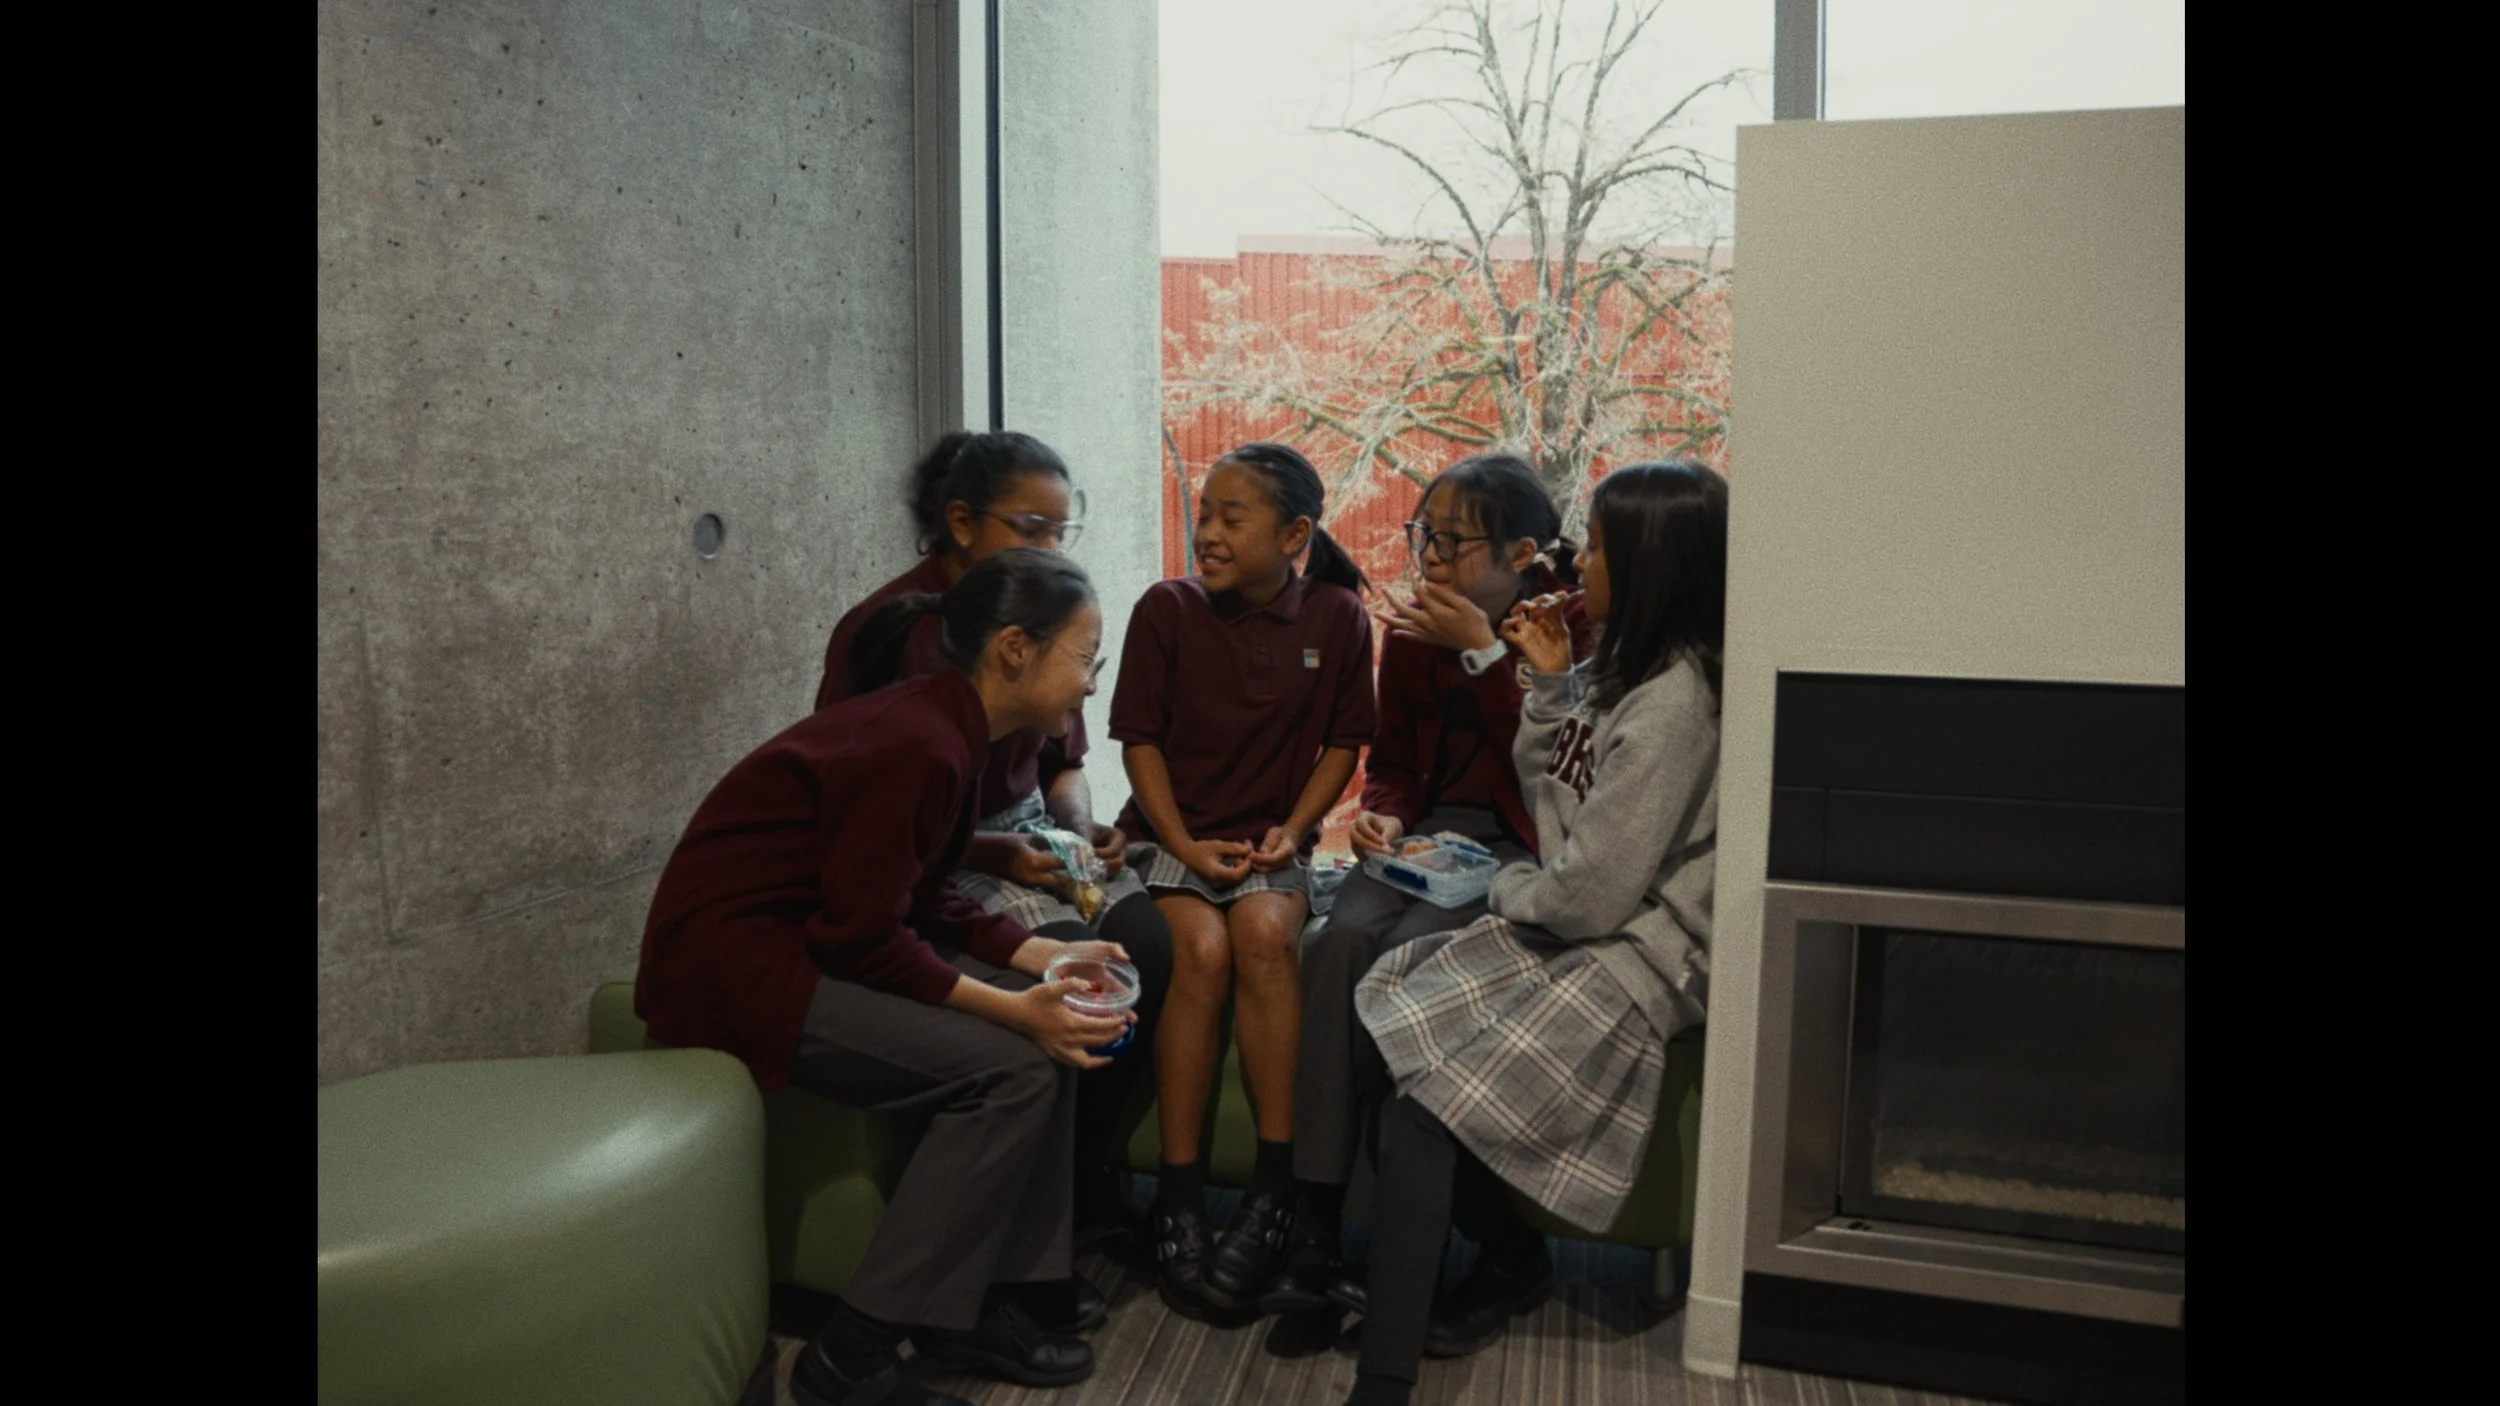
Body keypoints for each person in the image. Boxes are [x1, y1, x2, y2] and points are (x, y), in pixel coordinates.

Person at [638, 549, 1130, 1406]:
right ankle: (852, 1356)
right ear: (1015, 649)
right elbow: (866, 937)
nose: (1092, 684)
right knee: (1015, 1068)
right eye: (1087, 659)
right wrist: (1016, 1012)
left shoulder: (954, 728)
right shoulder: (921, 741)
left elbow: (922, 891)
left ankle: (982, 1301)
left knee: (1053, 1039)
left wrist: (1041, 958)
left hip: (810, 939)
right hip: (739, 967)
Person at [1336, 461, 1727, 1406]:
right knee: (1379, 1015)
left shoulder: (1677, 704)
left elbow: (1581, 889)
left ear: (1648, 565)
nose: (1574, 563)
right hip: (1588, 918)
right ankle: (1508, 1261)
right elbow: (1568, 830)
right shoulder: (1619, 671)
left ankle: (1383, 1379)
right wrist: (1550, 692)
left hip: (1644, 954)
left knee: (1421, 1112)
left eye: (1592, 547)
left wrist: (1507, 887)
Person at [1258, 452, 1593, 1356]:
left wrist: (1484, 656)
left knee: (1409, 959)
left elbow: (1561, 775)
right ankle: (1319, 1231)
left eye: (1451, 541)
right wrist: (1383, 815)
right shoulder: (1409, 632)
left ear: (1524, 551)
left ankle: (1397, 1247)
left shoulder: (1570, 626)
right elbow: (1395, 763)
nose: (1430, 558)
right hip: (1427, 839)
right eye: (1423, 535)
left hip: (1523, 841)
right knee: (1338, 943)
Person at [817, 430, 1173, 1250]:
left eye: (1059, 532)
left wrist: (1079, 833)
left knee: (1146, 942)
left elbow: (1064, 764)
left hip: (1026, 836)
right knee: (1074, 963)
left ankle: (1088, 1174)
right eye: (1030, 528)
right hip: (949, 853)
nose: (1050, 548)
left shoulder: (1040, 614)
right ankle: (1036, 1219)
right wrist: (996, 855)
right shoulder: (895, 638)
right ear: (961, 522)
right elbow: (872, 827)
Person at [1105, 442, 1378, 1322]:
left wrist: (1292, 832)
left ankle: (1274, 1192)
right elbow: (1139, 740)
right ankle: (1176, 1199)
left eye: (1232, 517)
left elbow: (1344, 743)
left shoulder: (1337, 616)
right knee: (1201, 948)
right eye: (1204, 513)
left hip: (1271, 846)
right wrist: (1181, 842)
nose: (1206, 531)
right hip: (1173, 836)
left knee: (1264, 937)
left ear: (1294, 534)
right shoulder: (1167, 609)